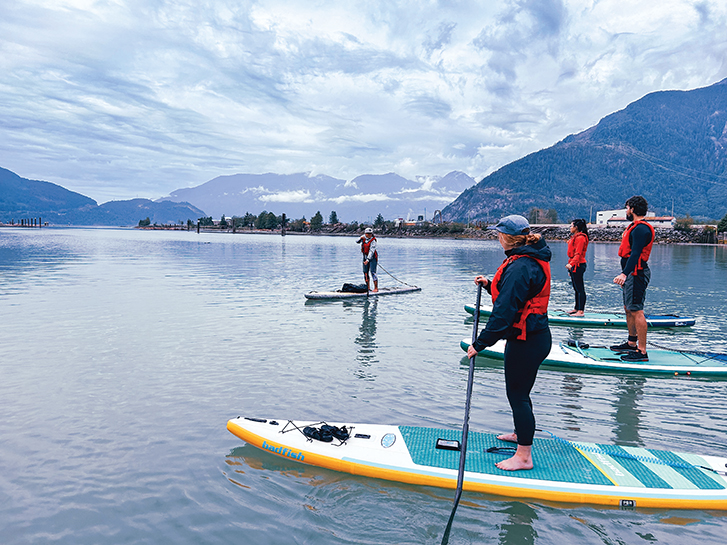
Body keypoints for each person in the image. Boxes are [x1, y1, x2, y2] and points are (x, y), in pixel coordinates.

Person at [466, 215, 552, 471]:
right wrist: (490, 284)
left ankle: (524, 456)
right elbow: (517, 294)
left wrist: (480, 344)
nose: (497, 238)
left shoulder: (520, 265)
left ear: (506, 238)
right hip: (534, 337)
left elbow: (503, 314)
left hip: (527, 340)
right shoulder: (529, 259)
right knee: (520, 392)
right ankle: (519, 434)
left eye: (498, 235)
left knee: (518, 394)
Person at [610, 196, 654, 362]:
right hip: (631, 274)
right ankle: (631, 343)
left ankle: (642, 352)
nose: (626, 211)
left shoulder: (641, 229)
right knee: (628, 308)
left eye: (627, 207)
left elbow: (635, 254)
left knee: (636, 309)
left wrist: (624, 273)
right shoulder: (634, 227)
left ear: (633, 209)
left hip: (637, 274)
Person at [566, 219, 589, 316]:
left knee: (580, 288)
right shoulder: (575, 237)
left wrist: (571, 264)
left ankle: (581, 310)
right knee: (576, 288)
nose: (570, 228)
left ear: (576, 227)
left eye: (571, 226)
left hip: (578, 265)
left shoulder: (580, 238)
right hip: (574, 265)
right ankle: (576, 308)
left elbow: (578, 254)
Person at [356, 228, 378, 292]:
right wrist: (360, 238)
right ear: (365, 234)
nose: (369, 235)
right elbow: (357, 241)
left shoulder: (373, 241)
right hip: (365, 256)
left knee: (373, 272)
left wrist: (368, 260)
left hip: (372, 257)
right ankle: (368, 287)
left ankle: (376, 288)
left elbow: (371, 251)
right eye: (367, 234)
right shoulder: (363, 238)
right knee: (365, 272)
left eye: (370, 234)